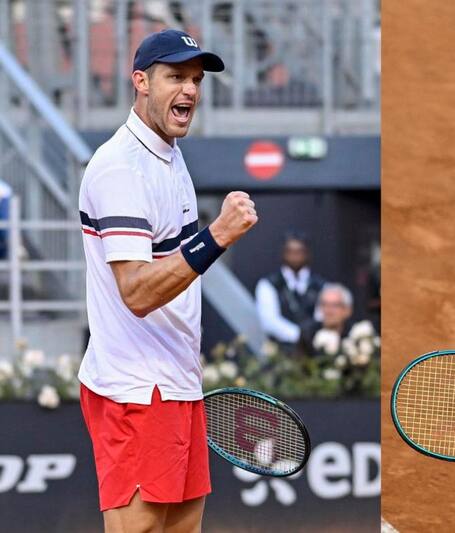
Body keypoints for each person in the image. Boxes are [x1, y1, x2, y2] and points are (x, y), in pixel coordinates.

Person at [77, 29, 258, 532]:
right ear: (140, 82)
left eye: (196, 80)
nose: (190, 90)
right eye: (175, 77)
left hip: (177, 384)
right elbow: (135, 291)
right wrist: (216, 235)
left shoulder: (167, 152)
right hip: (138, 392)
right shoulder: (121, 169)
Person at [255, 231, 325, 352]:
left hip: (315, 350)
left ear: (307, 253)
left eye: (299, 251)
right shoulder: (268, 284)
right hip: (282, 353)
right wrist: (300, 336)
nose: (295, 256)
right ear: (283, 253)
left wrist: (310, 336)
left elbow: (322, 316)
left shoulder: (321, 286)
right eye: (290, 251)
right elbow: (270, 322)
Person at [297, 282, 355, 356]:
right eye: (324, 305)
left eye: (335, 305)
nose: (328, 311)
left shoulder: (355, 334)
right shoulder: (308, 334)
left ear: (347, 310)